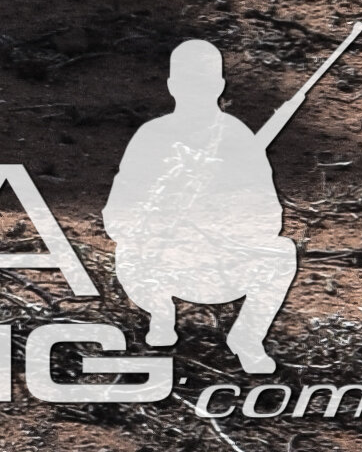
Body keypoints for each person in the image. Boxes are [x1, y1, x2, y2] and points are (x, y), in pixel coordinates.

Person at [105, 36, 317, 372]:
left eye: (203, 83)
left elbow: (269, 220)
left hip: (218, 262)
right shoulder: (151, 136)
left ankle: (246, 337)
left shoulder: (238, 138)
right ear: (173, 85)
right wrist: (159, 218)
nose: (196, 91)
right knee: (126, 250)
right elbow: (115, 218)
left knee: (282, 252)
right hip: (159, 264)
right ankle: (161, 316)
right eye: (189, 82)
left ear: (219, 85)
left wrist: (221, 215)